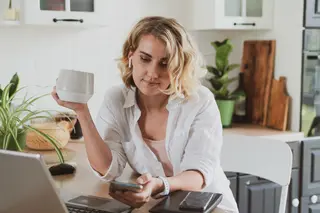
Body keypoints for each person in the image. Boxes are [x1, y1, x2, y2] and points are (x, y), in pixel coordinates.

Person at [52, 16, 239, 213]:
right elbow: (108, 169)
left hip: (208, 205)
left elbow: (198, 175)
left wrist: (160, 184)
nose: (152, 73)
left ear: (179, 66)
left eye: (164, 63)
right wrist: (82, 111)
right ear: (130, 57)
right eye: (145, 58)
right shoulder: (116, 99)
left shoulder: (199, 101)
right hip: (157, 205)